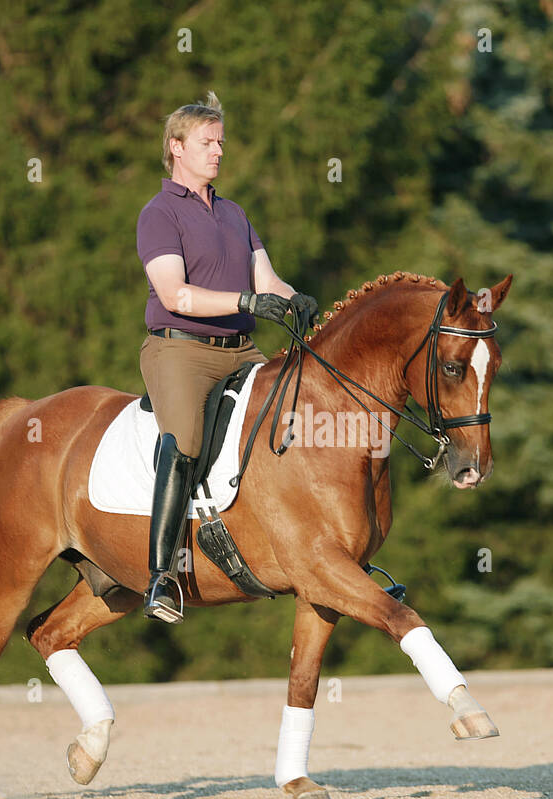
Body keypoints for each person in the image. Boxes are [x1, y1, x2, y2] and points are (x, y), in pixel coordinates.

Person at [136, 91, 318, 623]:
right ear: (176, 147)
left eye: (221, 143)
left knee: (297, 412)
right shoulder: (159, 213)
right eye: (207, 142)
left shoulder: (235, 213)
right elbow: (176, 296)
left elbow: (268, 280)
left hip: (241, 350)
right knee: (184, 440)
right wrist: (245, 301)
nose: (218, 152)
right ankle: (161, 577)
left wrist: (293, 299)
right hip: (181, 352)